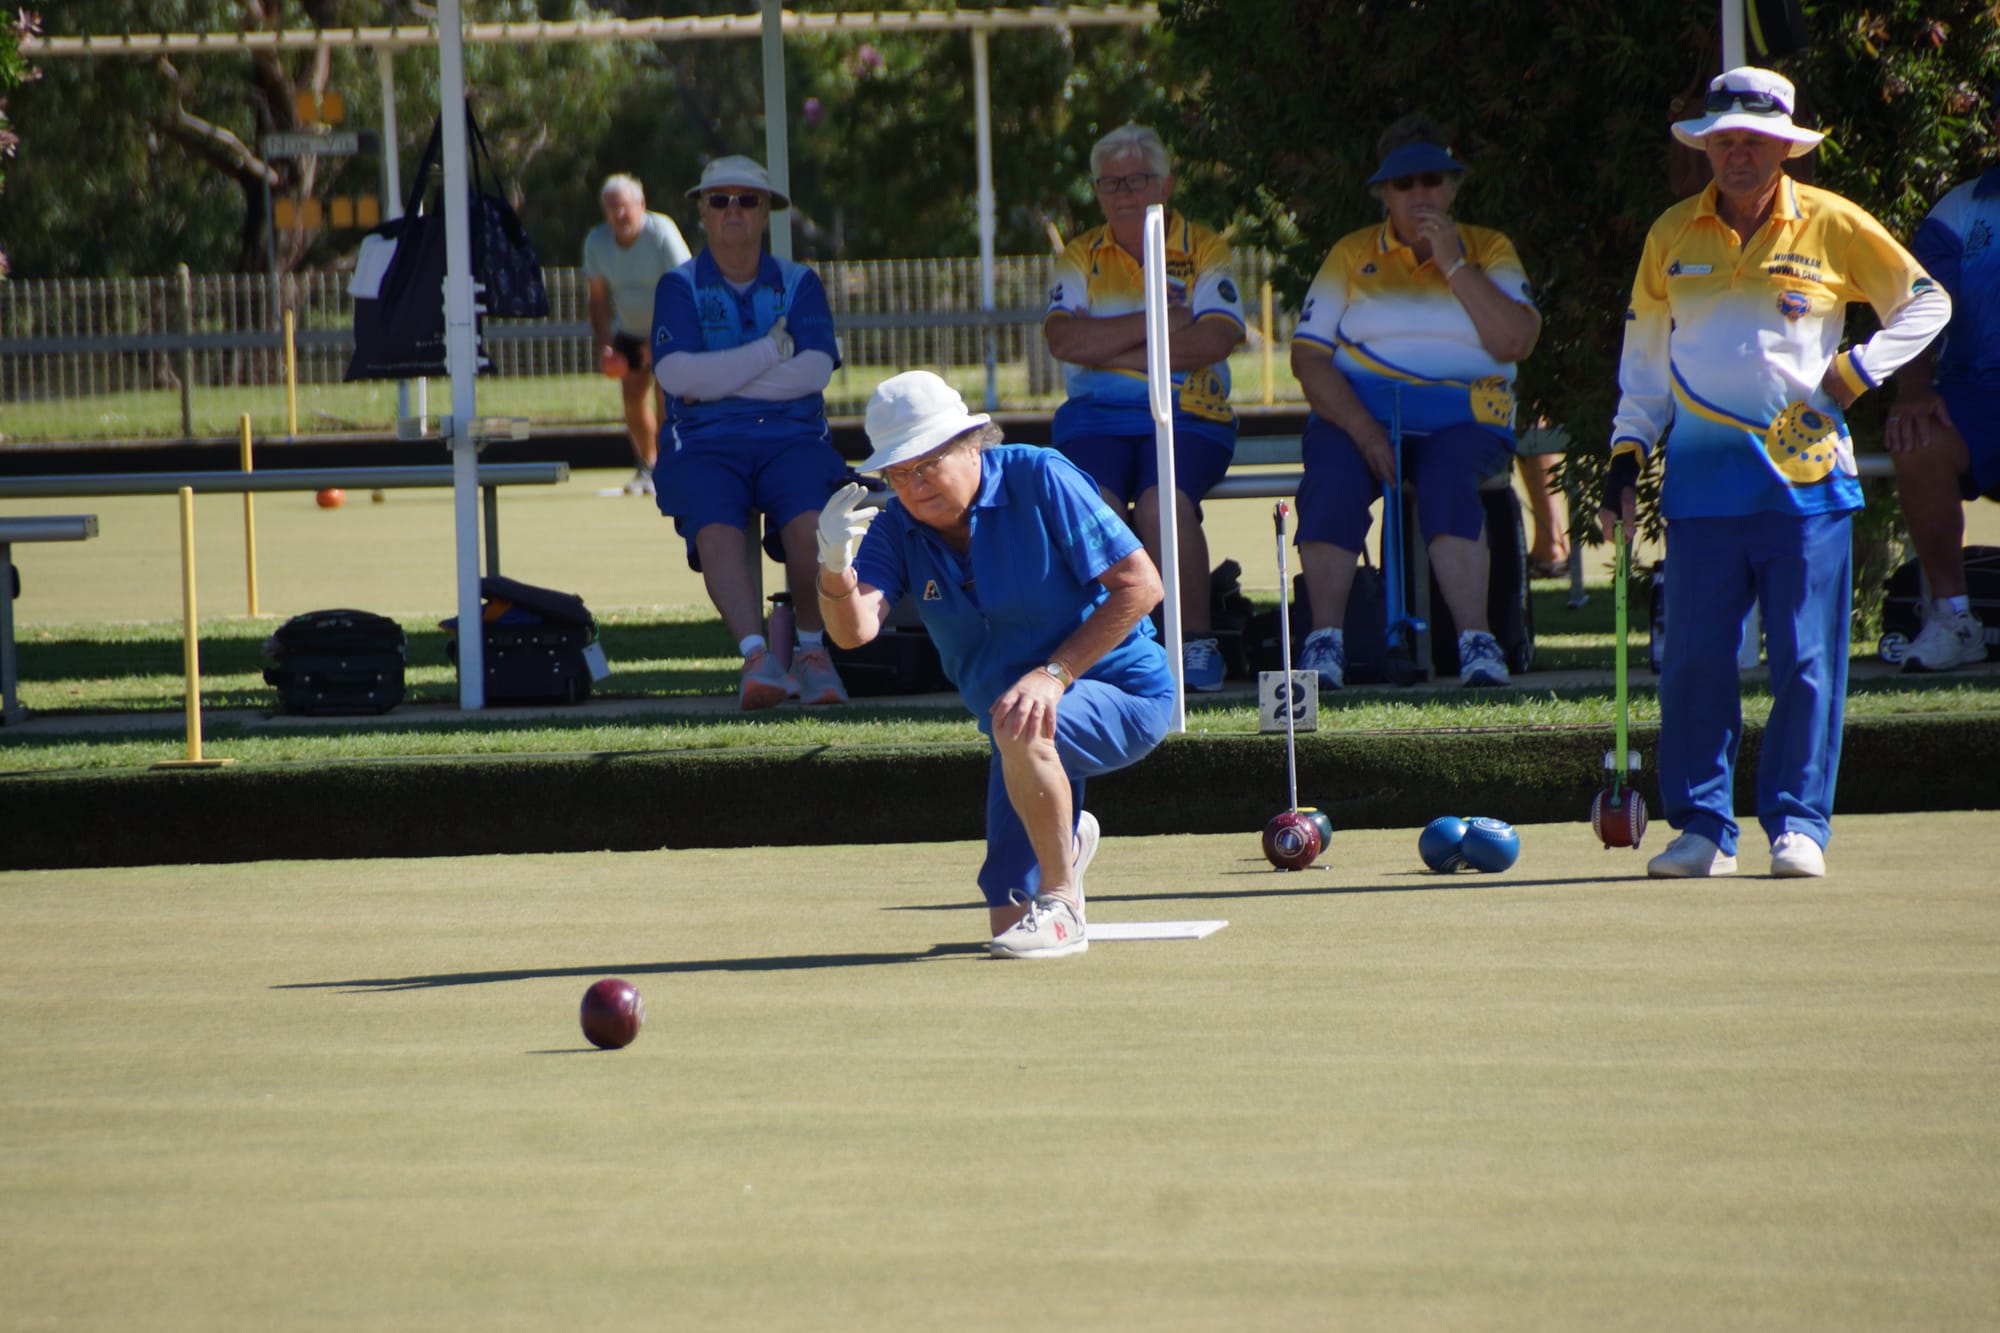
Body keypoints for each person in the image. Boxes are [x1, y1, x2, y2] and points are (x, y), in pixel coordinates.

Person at [1602, 67, 1951, 879]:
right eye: (1724, 139)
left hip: (1807, 486)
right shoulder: (1670, 234)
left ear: (1784, 147)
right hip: (1700, 488)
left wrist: (1859, 369)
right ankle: (1703, 829)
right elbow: (1644, 366)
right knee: (1694, 663)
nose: (1738, 154)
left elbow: (1928, 302)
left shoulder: (1832, 221)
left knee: (1805, 660)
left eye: (1755, 141)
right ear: (1706, 147)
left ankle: (1798, 824)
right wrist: (1626, 453)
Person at [817, 371, 1176, 959]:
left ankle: (1063, 904)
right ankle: (1066, 843)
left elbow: (1141, 585)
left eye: (926, 464)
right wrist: (833, 568)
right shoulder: (897, 526)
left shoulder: (1040, 474)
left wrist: (1054, 675)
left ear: (972, 444)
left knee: (1021, 731)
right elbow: (853, 632)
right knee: (1008, 920)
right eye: (898, 473)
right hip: (1015, 730)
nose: (913, 486)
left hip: (1124, 690)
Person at [1289, 115, 1542, 689]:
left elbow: (1515, 341)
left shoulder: (1490, 249)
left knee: (1447, 479)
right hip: (1360, 418)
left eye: (1432, 180)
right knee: (1331, 480)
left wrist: (1453, 263)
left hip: (1466, 420)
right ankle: (1325, 641)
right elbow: (1308, 358)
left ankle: (1477, 643)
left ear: (1453, 187)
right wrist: (1364, 431)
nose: (1420, 194)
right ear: (1384, 194)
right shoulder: (1350, 253)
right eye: (1404, 184)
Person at [1043, 123, 1246, 693]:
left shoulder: (1204, 246)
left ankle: (1195, 642)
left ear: (1167, 183)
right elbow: (1063, 340)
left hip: (1191, 416)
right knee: (1098, 510)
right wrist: (1163, 321)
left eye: (1138, 179)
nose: (1125, 193)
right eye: (1110, 183)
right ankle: (1113, 650)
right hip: (1093, 420)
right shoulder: (1079, 254)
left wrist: (1108, 346)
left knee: (1162, 507)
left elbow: (1216, 339)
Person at [651, 155, 850, 711]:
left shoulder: (799, 282)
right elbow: (676, 376)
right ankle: (757, 658)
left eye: (747, 200)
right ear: (702, 211)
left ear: (767, 212)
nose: (733, 210)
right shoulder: (678, 285)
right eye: (720, 200)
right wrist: (770, 350)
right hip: (703, 444)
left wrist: (716, 382)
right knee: (716, 532)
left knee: (812, 528)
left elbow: (813, 372)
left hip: (793, 439)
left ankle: (812, 652)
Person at [1884, 147, 2000, 672]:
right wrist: (1912, 387)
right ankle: (1953, 619)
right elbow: (1919, 307)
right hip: (1973, 391)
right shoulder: (1958, 210)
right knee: (1918, 437)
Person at [582, 174, 692, 495]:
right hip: (630, 329)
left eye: (624, 207)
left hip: (672, 325)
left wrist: (657, 340)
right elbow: (598, 299)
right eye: (611, 208)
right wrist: (605, 346)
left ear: (641, 204)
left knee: (666, 394)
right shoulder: (597, 242)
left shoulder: (662, 233)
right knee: (631, 394)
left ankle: (671, 467)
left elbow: (685, 287)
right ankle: (648, 466)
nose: (619, 215)